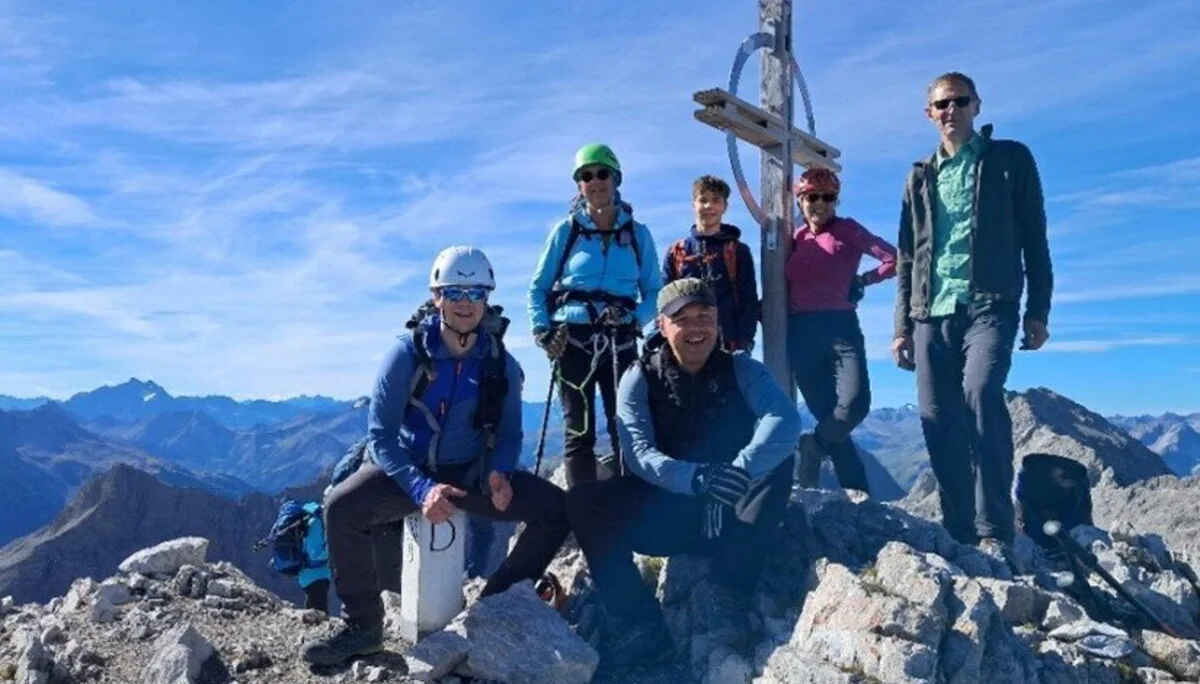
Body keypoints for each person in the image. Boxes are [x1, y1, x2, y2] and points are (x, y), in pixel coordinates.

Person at [301, 246, 571, 666]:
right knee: (340, 506)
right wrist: (423, 488)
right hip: (408, 471)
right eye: (455, 292)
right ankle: (363, 626)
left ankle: (491, 609)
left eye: (476, 293)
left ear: (488, 298)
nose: (466, 303)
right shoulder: (405, 355)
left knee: (555, 509)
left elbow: (511, 433)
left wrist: (500, 472)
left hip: (471, 472)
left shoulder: (500, 364)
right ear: (437, 295)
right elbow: (381, 437)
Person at [566, 278, 801, 671]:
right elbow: (639, 454)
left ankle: (730, 591)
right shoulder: (639, 377)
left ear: (718, 322)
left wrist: (732, 476)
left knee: (778, 465)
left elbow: (784, 419)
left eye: (705, 316)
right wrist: (696, 480)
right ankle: (639, 620)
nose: (696, 328)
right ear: (662, 325)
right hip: (668, 513)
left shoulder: (741, 369)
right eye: (682, 318)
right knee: (584, 502)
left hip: (731, 512)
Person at [891, 72, 1052, 560]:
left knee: (981, 393)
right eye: (941, 104)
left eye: (960, 101)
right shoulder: (919, 175)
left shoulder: (1010, 159)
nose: (951, 110)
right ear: (929, 113)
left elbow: (1035, 237)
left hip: (991, 303)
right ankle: (958, 529)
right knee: (937, 419)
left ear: (977, 105)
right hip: (929, 312)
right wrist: (901, 326)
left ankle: (994, 529)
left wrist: (1038, 310)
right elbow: (906, 256)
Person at [528, 143, 663, 487]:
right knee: (579, 431)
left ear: (616, 179)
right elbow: (538, 288)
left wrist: (635, 320)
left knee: (627, 427)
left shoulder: (638, 234)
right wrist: (543, 331)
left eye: (602, 173)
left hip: (621, 338)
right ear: (579, 186)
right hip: (572, 340)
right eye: (586, 176)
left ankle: (627, 509)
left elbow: (653, 291)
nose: (595, 181)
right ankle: (585, 513)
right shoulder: (566, 231)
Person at [786, 167, 896, 494]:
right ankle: (859, 494)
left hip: (841, 327)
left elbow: (894, 258)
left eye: (827, 197)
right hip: (801, 331)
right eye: (811, 197)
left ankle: (812, 446)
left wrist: (863, 280)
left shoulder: (847, 229)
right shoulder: (793, 237)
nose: (819, 204)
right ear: (800, 200)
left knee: (855, 403)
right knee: (828, 417)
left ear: (836, 200)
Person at [661, 175, 759, 352]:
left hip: (728, 344)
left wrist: (745, 341)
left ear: (724, 206)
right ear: (693, 205)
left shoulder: (738, 251)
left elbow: (748, 300)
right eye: (703, 200)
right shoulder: (677, 252)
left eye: (716, 200)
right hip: (687, 344)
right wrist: (662, 339)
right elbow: (664, 302)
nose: (709, 206)